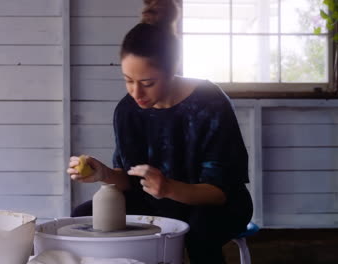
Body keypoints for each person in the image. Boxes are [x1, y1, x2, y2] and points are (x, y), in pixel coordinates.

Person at [67, 0, 253, 263]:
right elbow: (131, 181)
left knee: (199, 231)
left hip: (216, 204)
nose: (136, 93)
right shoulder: (126, 111)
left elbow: (219, 191)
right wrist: (104, 174)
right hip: (157, 201)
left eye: (147, 83)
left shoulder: (209, 103)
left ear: (173, 68)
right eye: (128, 81)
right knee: (83, 215)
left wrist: (168, 188)